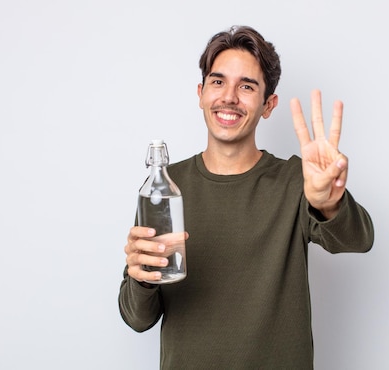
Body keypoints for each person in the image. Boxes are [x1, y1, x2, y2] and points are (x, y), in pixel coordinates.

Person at [118, 25, 374, 369]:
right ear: (201, 93)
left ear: (268, 105)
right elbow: (138, 319)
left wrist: (327, 202)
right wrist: (139, 276)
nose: (229, 97)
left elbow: (359, 240)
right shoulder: (165, 188)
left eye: (247, 86)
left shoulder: (297, 181)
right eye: (218, 81)